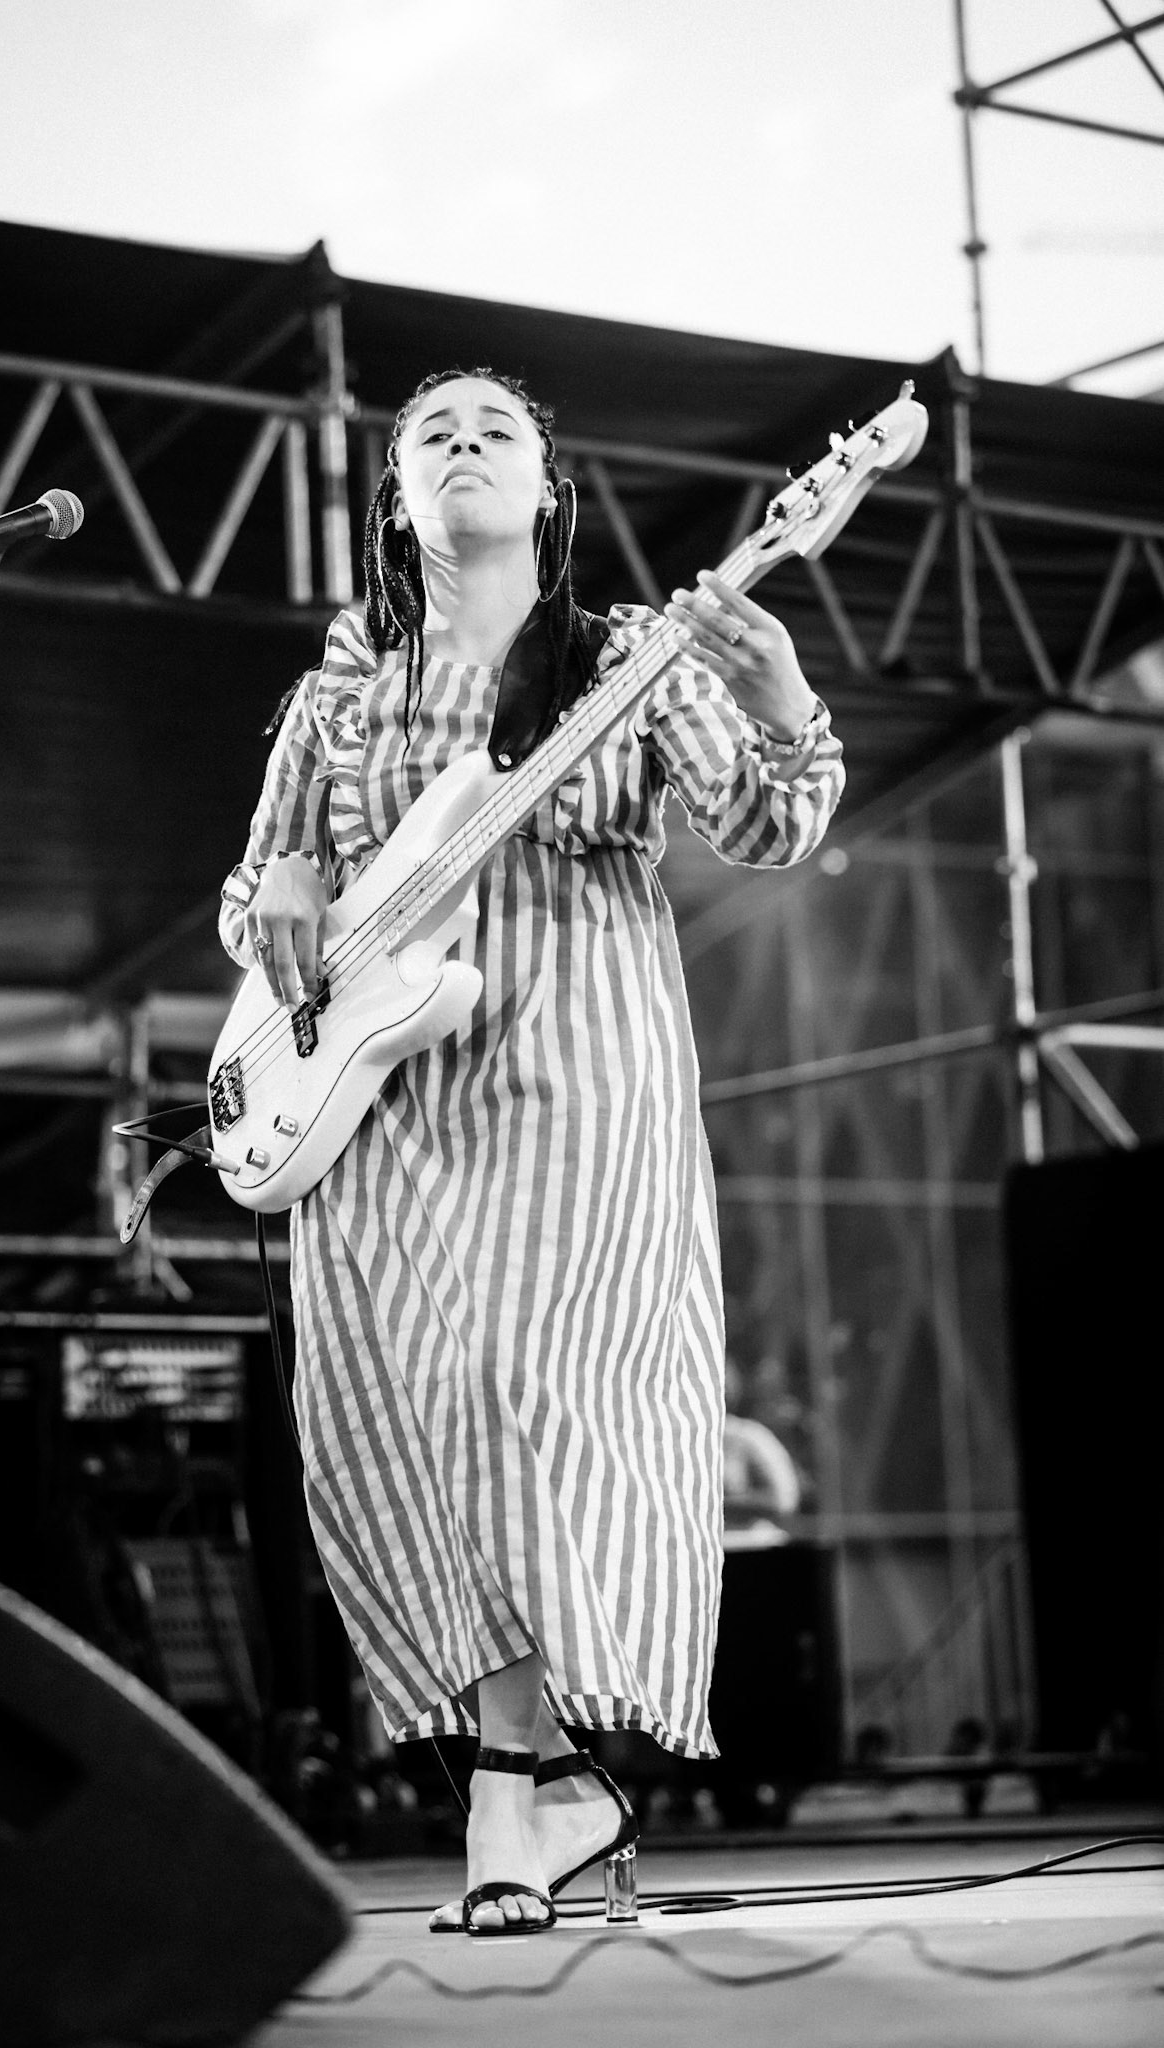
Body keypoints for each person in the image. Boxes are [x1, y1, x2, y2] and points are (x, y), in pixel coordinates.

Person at [218, 367, 843, 1935]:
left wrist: (781, 703)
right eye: (436, 433)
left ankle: (517, 1790)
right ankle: (543, 1778)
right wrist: (283, 876)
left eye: (500, 430)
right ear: (394, 496)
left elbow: (767, 829)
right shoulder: (334, 697)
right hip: (376, 1100)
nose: (469, 446)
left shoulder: (627, 656)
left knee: (519, 1395)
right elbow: (255, 905)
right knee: (414, 1421)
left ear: (549, 493)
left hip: (573, 1080)